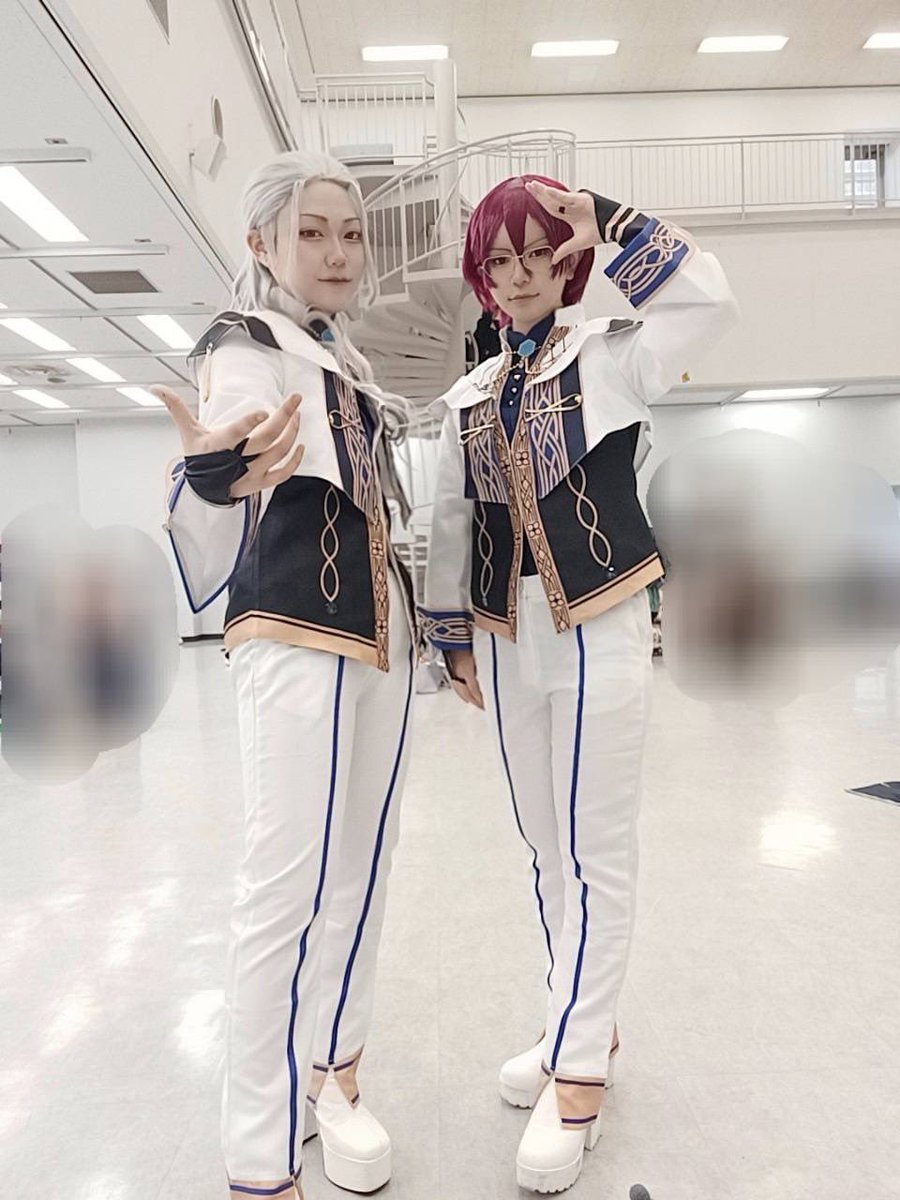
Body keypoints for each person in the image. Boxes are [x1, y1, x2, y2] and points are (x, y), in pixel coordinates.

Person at [421, 174, 738, 1193]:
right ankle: (579, 1021)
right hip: (505, 636)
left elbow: (708, 301)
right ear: (481, 275)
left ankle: (579, 1073)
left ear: (566, 264)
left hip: (600, 622)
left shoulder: (613, 357)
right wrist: (450, 639)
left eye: (537, 254)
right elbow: (451, 519)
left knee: (595, 848)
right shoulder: (467, 397)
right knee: (543, 844)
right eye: (500, 259)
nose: (519, 275)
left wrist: (613, 219)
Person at [155, 150, 417, 1200]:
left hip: (380, 640)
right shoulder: (247, 343)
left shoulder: (341, 355)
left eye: (349, 232)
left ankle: (332, 1074)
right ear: (262, 242)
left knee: (364, 870)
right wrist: (220, 466)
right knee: (285, 889)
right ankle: (259, 1160)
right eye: (312, 232)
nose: (338, 252)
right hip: (296, 633)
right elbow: (229, 433)